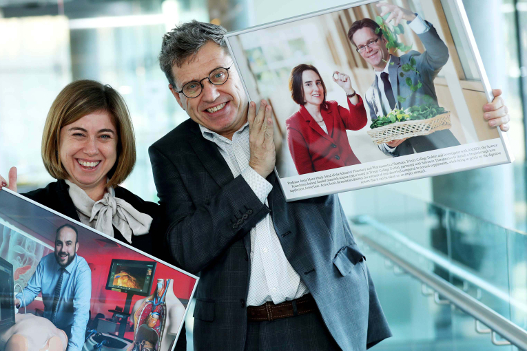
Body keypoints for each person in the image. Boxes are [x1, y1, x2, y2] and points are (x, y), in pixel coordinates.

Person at [149, 20, 510, 351]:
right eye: (193, 86)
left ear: (237, 68)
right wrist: (255, 175)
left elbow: (376, 143)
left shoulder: (293, 118)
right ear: (176, 94)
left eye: (218, 75)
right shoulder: (170, 153)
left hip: (324, 314)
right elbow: (187, 250)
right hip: (238, 333)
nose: (210, 95)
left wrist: (482, 120)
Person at [0, 80, 165, 350]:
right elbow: (18, 289)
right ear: (57, 139)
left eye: (104, 136)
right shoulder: (29, 208)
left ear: (119, 144)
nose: (91, 149)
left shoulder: (147, 217)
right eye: (78, 134)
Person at [349, 3, 472, 156]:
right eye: (361, 47)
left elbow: (439, 54)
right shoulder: (370, 95)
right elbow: (380, 138)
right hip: (410, 167)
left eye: (371, 42)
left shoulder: (412, 63)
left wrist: (412, 19)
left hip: (445, 157)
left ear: (384, 39)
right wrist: (389, 145)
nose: (367, 50)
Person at [12, 224, 91, 351]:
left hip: (68, 329)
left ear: (76, 247)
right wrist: (18, 300)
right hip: (46, 324)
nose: (63, 250)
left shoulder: (82, 270)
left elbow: (81, 313)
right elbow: (31, 290)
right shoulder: (45, 262)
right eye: (59, 243)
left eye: (68, 244)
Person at [286, 64, 367, 174]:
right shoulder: (294, 126)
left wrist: (349, 90)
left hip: (357, 174)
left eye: (318, 83)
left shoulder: (333, 108)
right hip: (330, 186)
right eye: (308, 84)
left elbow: (359, 123)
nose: (316, 88)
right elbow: (305, 172)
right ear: (298, 89)